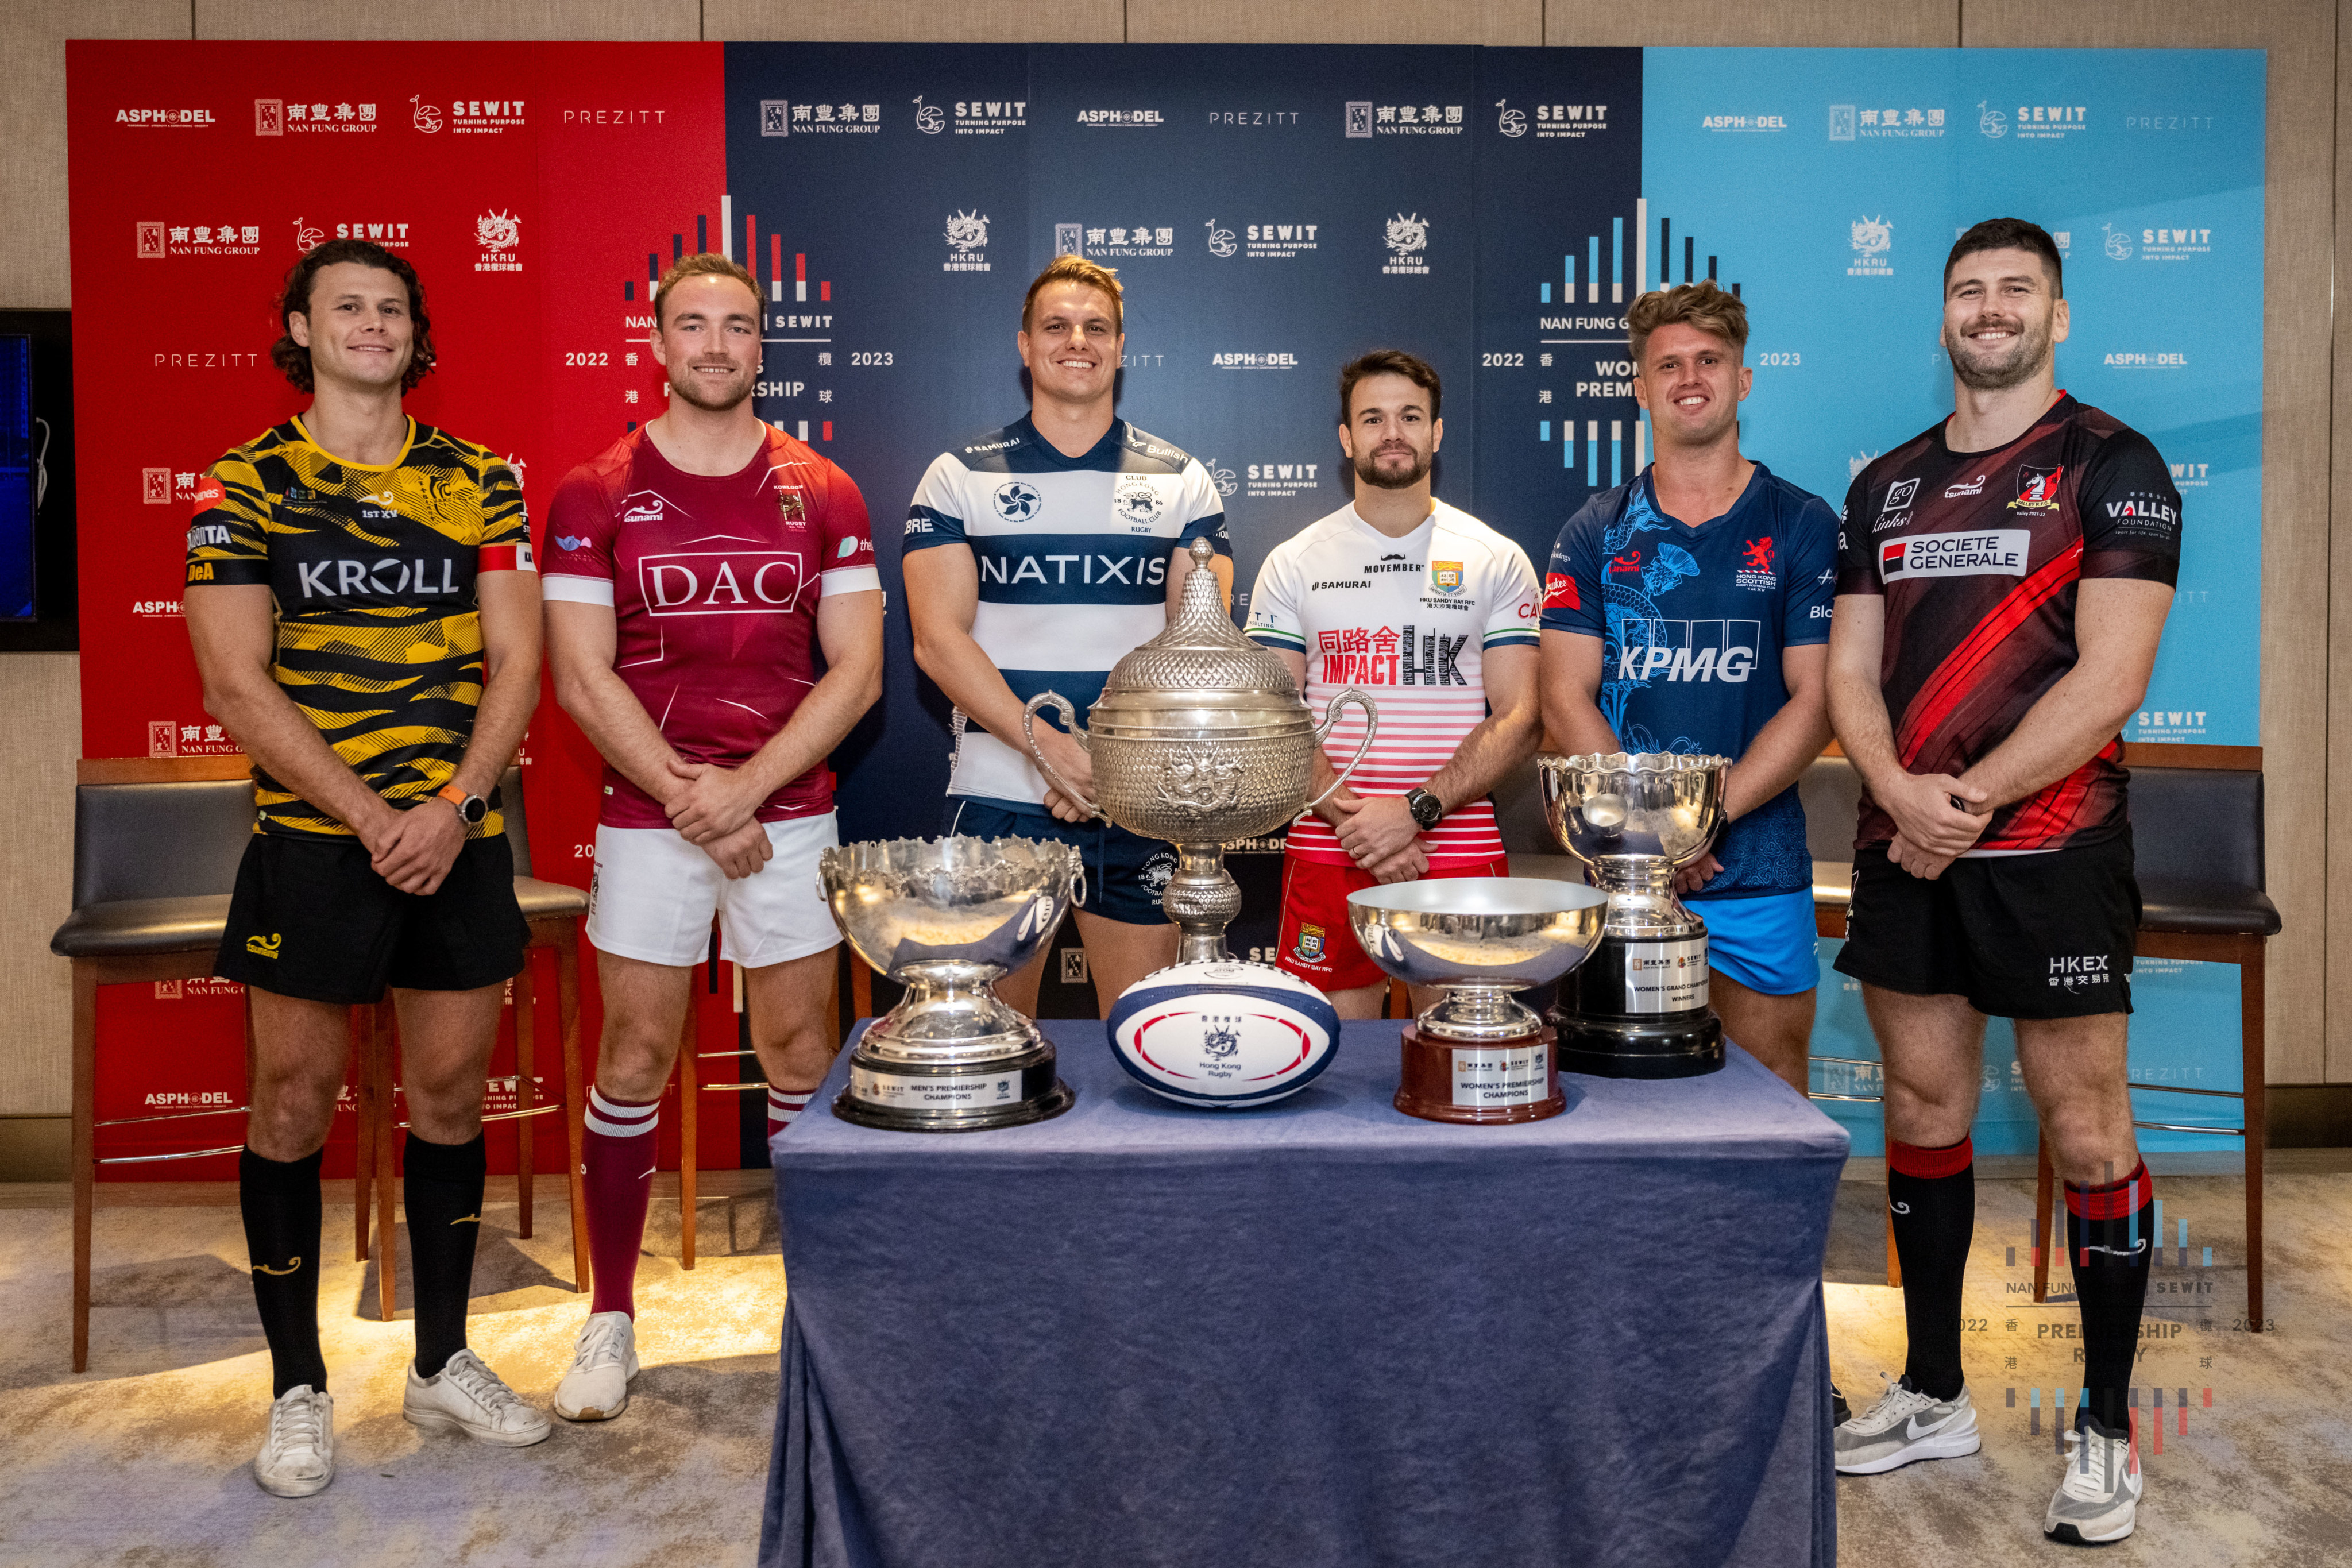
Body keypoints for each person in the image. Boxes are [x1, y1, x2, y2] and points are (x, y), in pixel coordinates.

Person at [1825, 218, 2181, 1546]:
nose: (1991, 309)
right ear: (1942, 318)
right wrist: (1905, 794)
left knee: (2088, 1131)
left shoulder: (2113, 463)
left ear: (2058, 315)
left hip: (2053, 848)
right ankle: (1931, 1390)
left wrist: (1965, 804)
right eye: (1968, 290)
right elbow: (1852, 676)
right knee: (1922, 1104)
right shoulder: (1891, 488)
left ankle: (2103, 1430)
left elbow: (2111, 679)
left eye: (2016, 289)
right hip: (1904, 844)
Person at [186, 238, 549, 1498]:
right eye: (346, 305)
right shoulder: (244, 486)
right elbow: (236, 681)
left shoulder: (480, 480)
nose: (372, 324)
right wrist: (369, 814)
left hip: (459, 838)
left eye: (392, 307)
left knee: (448, 1101)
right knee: (291, 1104)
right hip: (312, 846)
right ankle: (296, 1387)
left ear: (415, 332)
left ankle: (443, 1363)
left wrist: (448, 807)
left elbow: (517, 664)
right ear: (300, 326)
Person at [541, 252, 882, 1424]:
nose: (717, 345)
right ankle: (610, 1318)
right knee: (631, 1059)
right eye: (694, 325)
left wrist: (745, 792)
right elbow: (582, 681)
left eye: (738, 326)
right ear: (659, 341)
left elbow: (856, 672)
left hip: (786, 811)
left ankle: (811, 1317)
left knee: (800, 1058)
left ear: (758, 345)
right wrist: (694, 795)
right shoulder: (592, 492)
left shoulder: (824, 489)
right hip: (649, 813)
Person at [903, 255, 1229, 1015]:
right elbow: (937, 642)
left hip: (1134, 801)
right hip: (1000, 797)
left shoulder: (1181, 479)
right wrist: (1050, 748)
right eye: (1055, 326)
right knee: (994, 1044)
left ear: (1119, 348)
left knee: (1144, 1040)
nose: (1074, 340)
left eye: (1094, 327)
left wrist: (1103, 765)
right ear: (1024, 345)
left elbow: (1200, 639)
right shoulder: (958, 475)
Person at [1539, 280, 1838, 1094]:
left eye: (1708, 360)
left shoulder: (1801, 522)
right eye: (1665, 364)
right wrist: (1652, 841)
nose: (1688, 378)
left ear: (1742, 378)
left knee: (1768, 1083)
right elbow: (1564, 696)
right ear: (1638, 388)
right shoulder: (1595, 530)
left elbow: (1813, 700)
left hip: (1756, 861)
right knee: (1613, 1087)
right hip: (1623, 873)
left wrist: (1701, 825)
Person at [1243, 350, 1542, 1014]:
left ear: (1436, 433)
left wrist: (1412, 815)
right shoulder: (1294, 562)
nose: (1393, 433)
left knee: (1458, 1061)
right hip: (1330, 846)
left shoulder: (1494, 558)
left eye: (1410, 416)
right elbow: (1273, 716)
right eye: (1372, 418)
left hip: (1456, 845)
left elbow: (1522, 715)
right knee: (1331, 1065)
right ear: (1347, 438)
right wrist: (1362, 831)